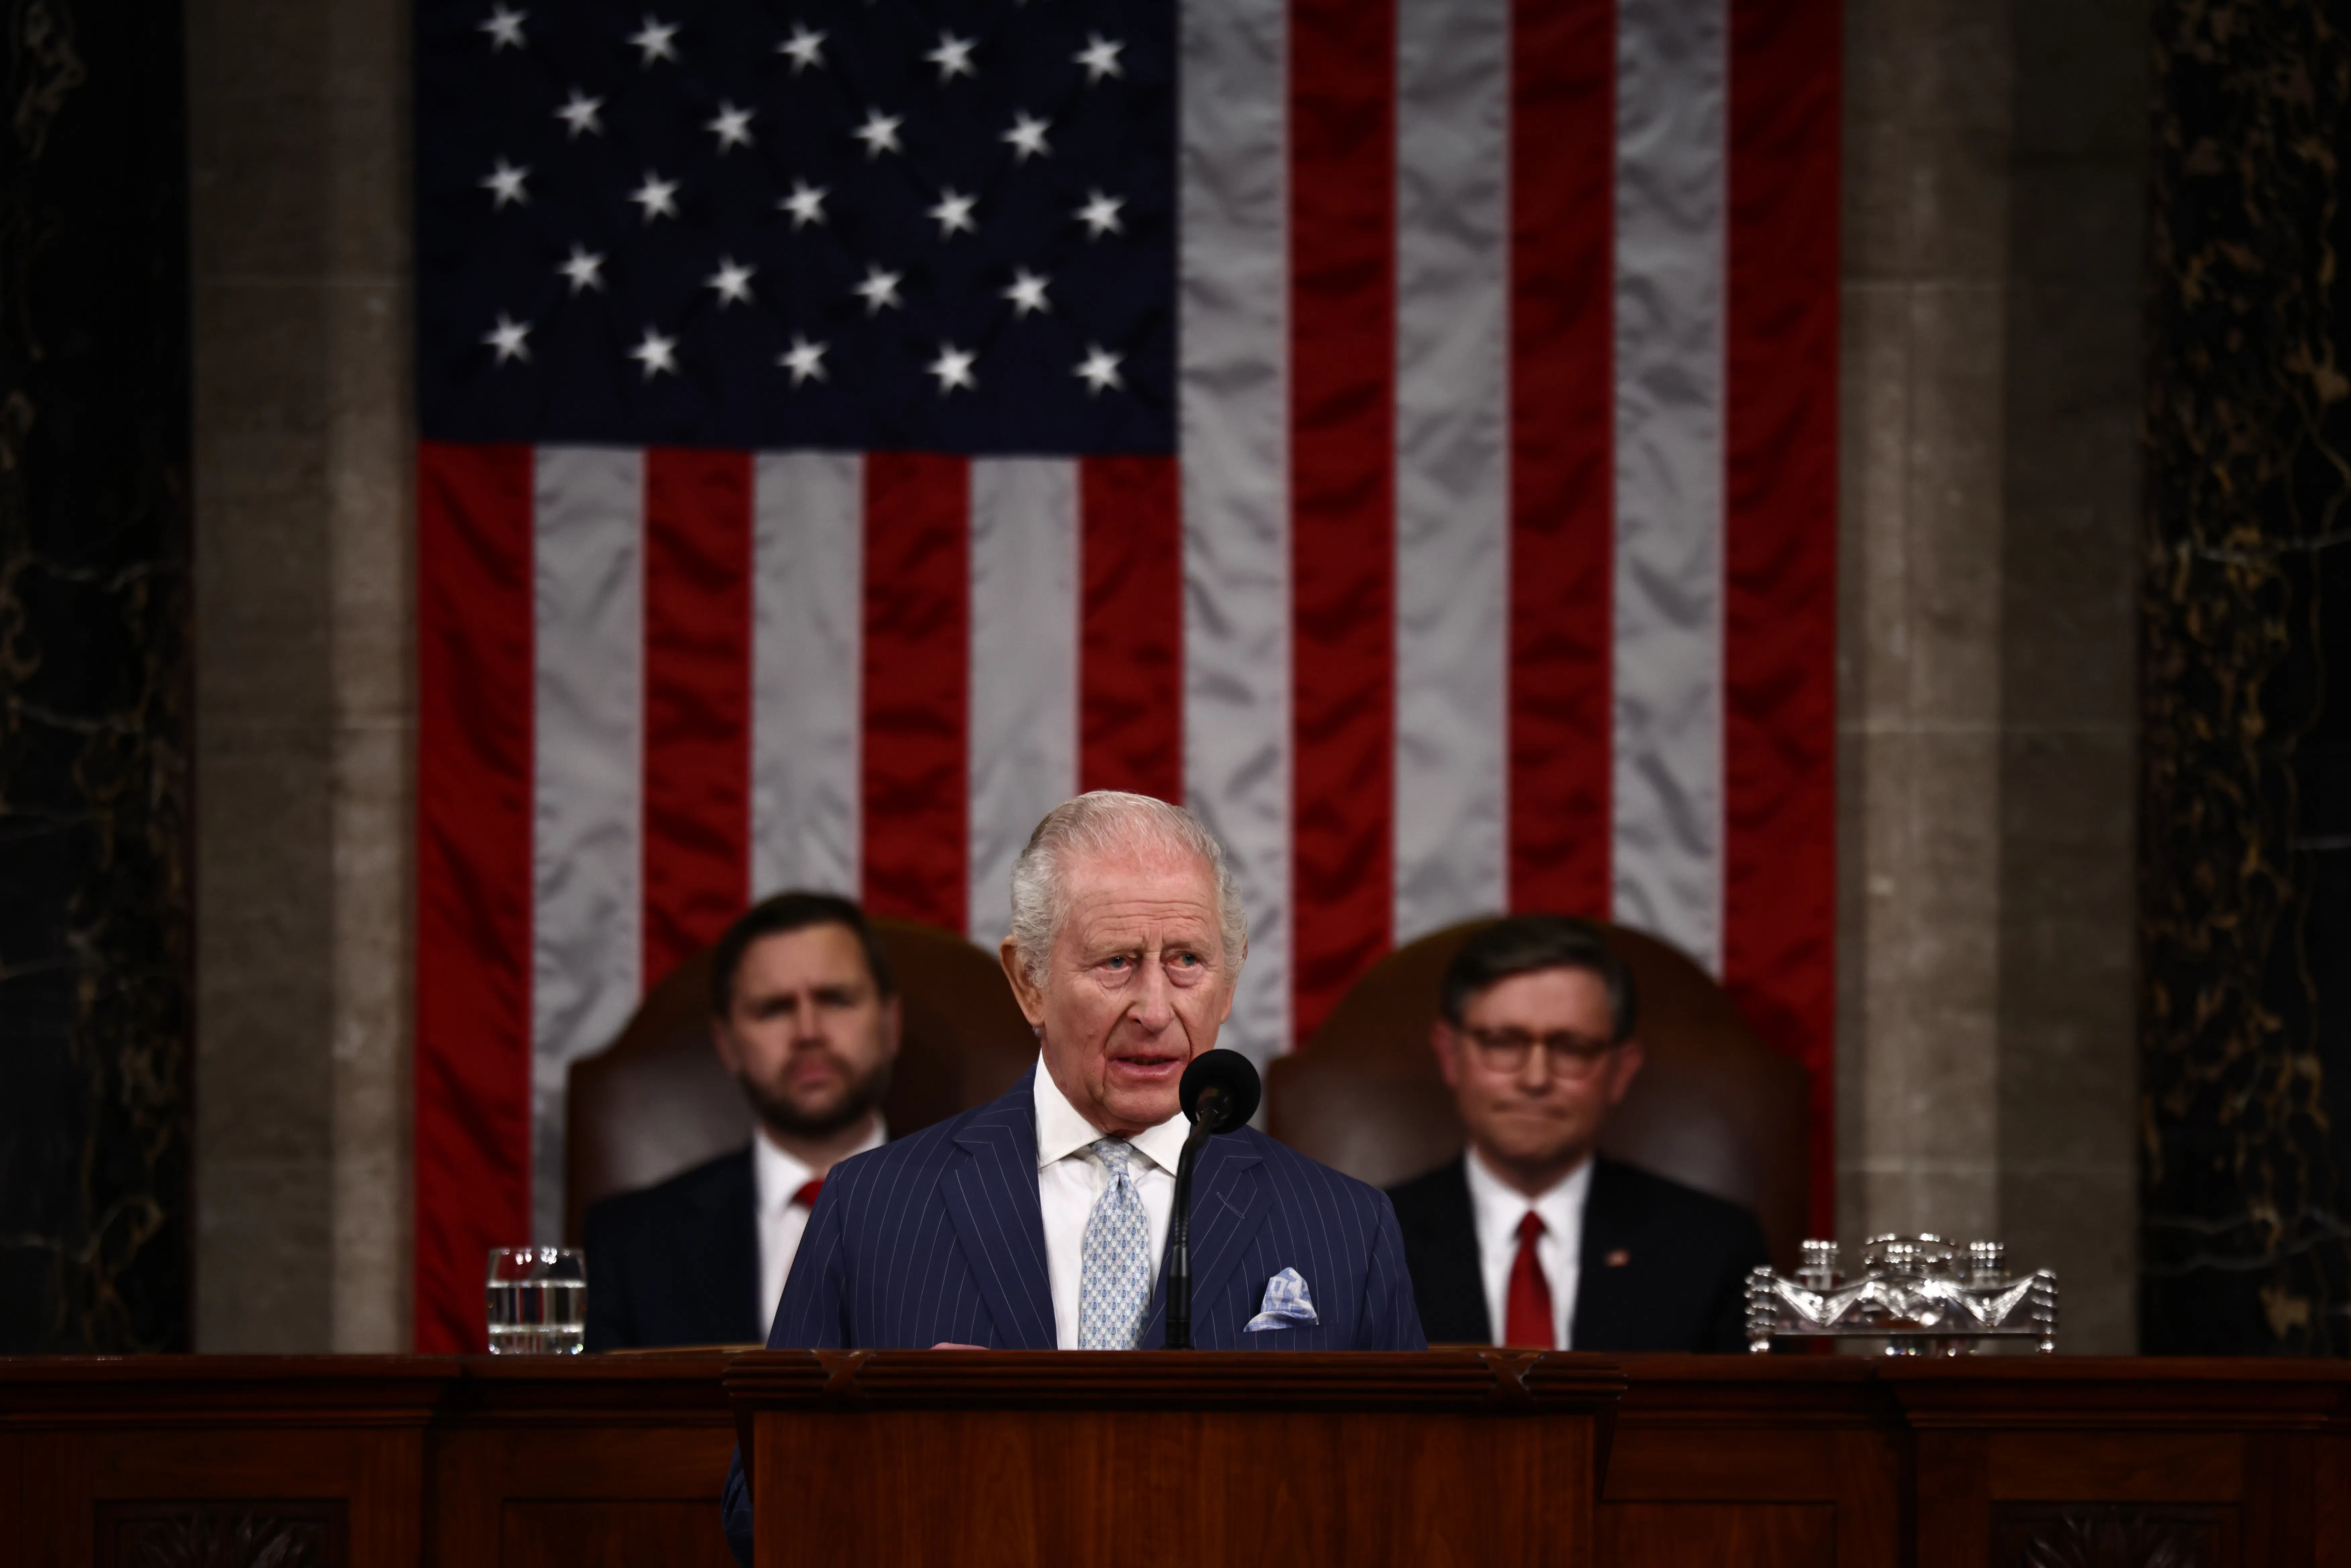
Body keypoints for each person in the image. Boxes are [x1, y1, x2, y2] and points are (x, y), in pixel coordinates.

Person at [721, 792, 1424, 1563]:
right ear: (1028, 980)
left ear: (1229, 979)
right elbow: (759, 1506)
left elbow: (1414, 1504)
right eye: (1116, 961)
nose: (1155, 1009)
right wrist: (908, 1447)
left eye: (1187, 959)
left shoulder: (1346, 1227)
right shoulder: (872, 1206)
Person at [1386, 915, 1767, 1353]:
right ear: (1450, 1054)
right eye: (1503, 1042)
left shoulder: (1714, 1249)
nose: (1535, 1078)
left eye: (1572, 1048)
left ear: (1621, 1070)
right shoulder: (1362, 1246)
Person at [581, 891, 900, 1351]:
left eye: (835, 999)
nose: (808, 1032)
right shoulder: (631, 1245)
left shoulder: (998, 1214)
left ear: (891, 1024)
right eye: (773, 1008)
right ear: (727, 1044)